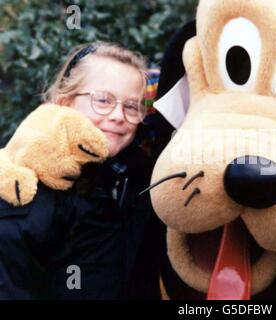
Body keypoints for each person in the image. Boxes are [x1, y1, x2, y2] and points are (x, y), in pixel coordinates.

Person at [0, 42, 163, 299]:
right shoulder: (26, 181)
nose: (118, 115)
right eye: (102, 100)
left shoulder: (134, 181)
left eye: (131, 106)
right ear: (66, 102)